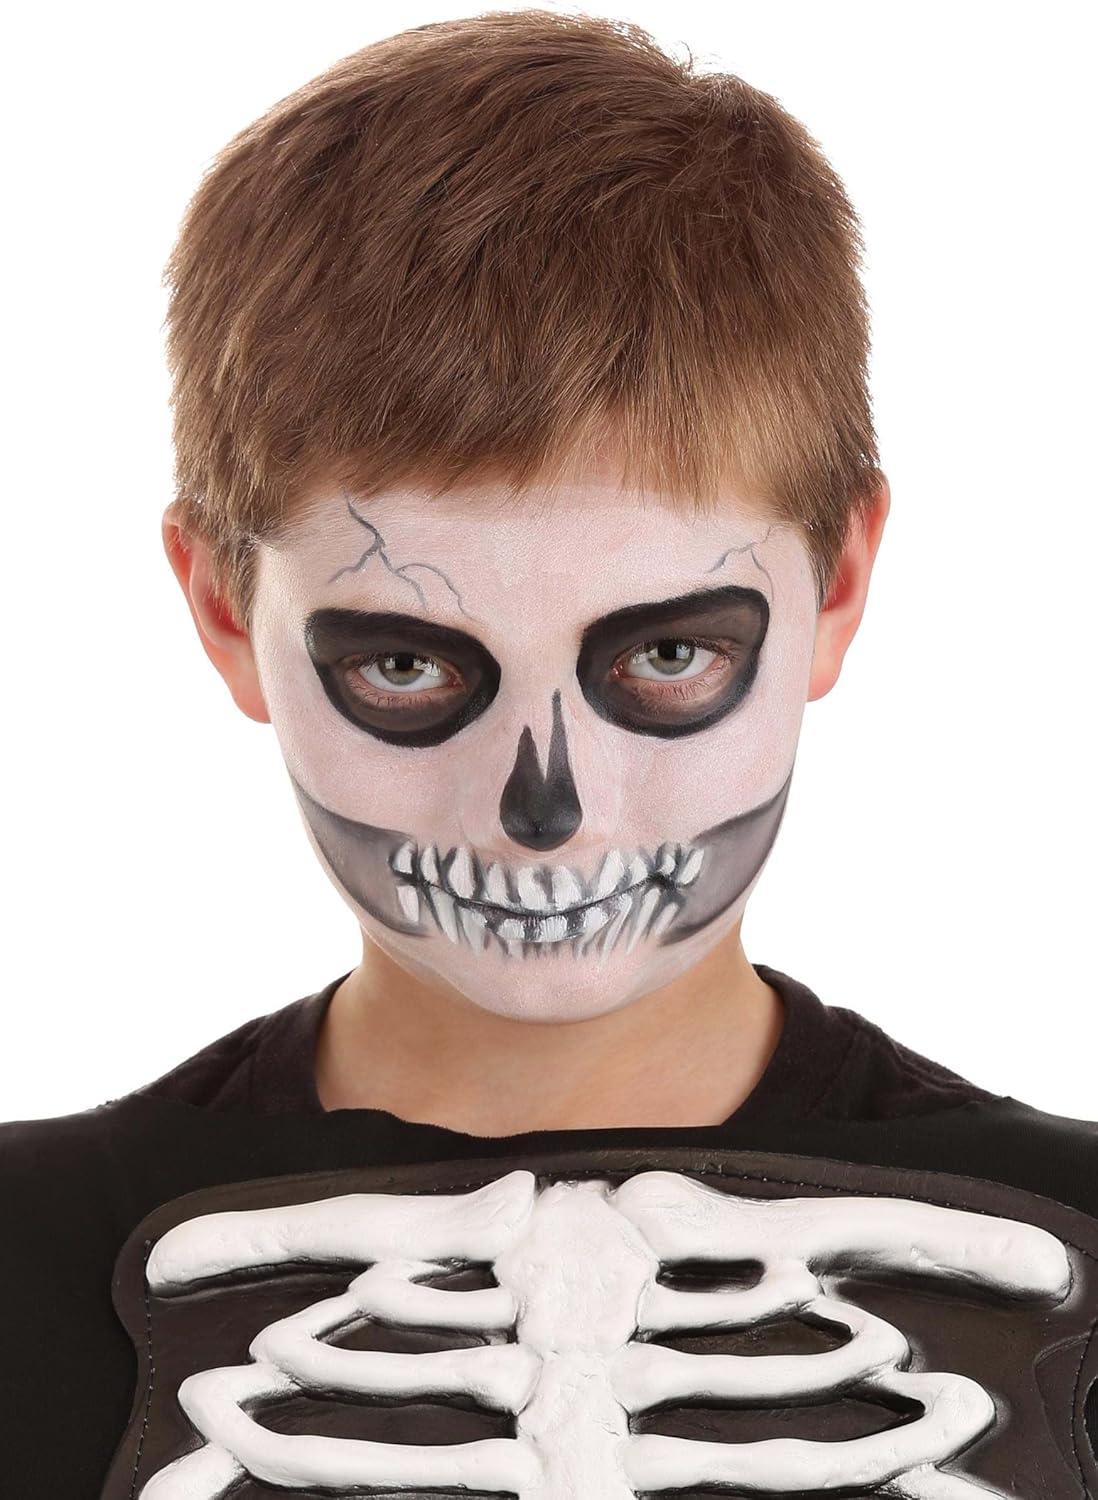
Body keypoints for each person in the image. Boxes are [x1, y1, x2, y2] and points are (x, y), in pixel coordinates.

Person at [3, 10, 1095, 1498]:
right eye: (404, 665)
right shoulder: (26, 1262)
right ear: (223, 610)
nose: (545, 814)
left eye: (665, 656)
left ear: (836, 588)